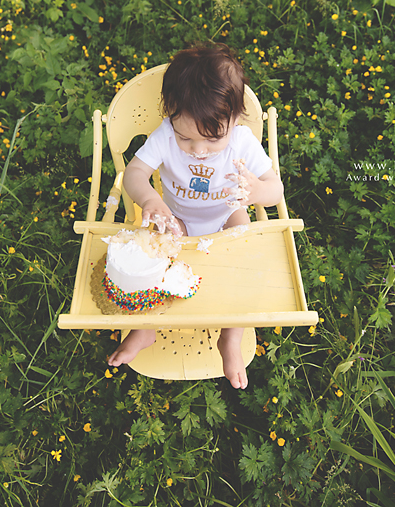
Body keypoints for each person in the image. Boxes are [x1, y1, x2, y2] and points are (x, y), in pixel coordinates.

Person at [106, 44, 285, 389]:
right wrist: (150, 199)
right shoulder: (166, 134)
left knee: (246, 254)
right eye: (186, 138)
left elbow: (275, 189)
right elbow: (134, 173)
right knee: (155, 259)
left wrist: (257, 190)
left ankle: (230, 337)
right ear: (171, 114)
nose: (198, 151)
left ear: (235, 120)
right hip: (179, 219)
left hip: (227, 217)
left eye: (212, 139)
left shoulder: (242, 141)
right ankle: (146, 330)